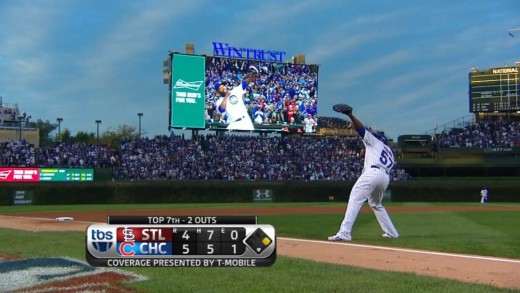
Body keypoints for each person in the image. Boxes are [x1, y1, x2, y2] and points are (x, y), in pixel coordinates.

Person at [328, 106, 399, 241]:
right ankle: (392, 233)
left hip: (373, 172)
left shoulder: (374, 141)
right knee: (376, 204)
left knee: (355, 197)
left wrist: (350, 115)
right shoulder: (389, 151)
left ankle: (345, 232)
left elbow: (360, 129)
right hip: (385, 177)